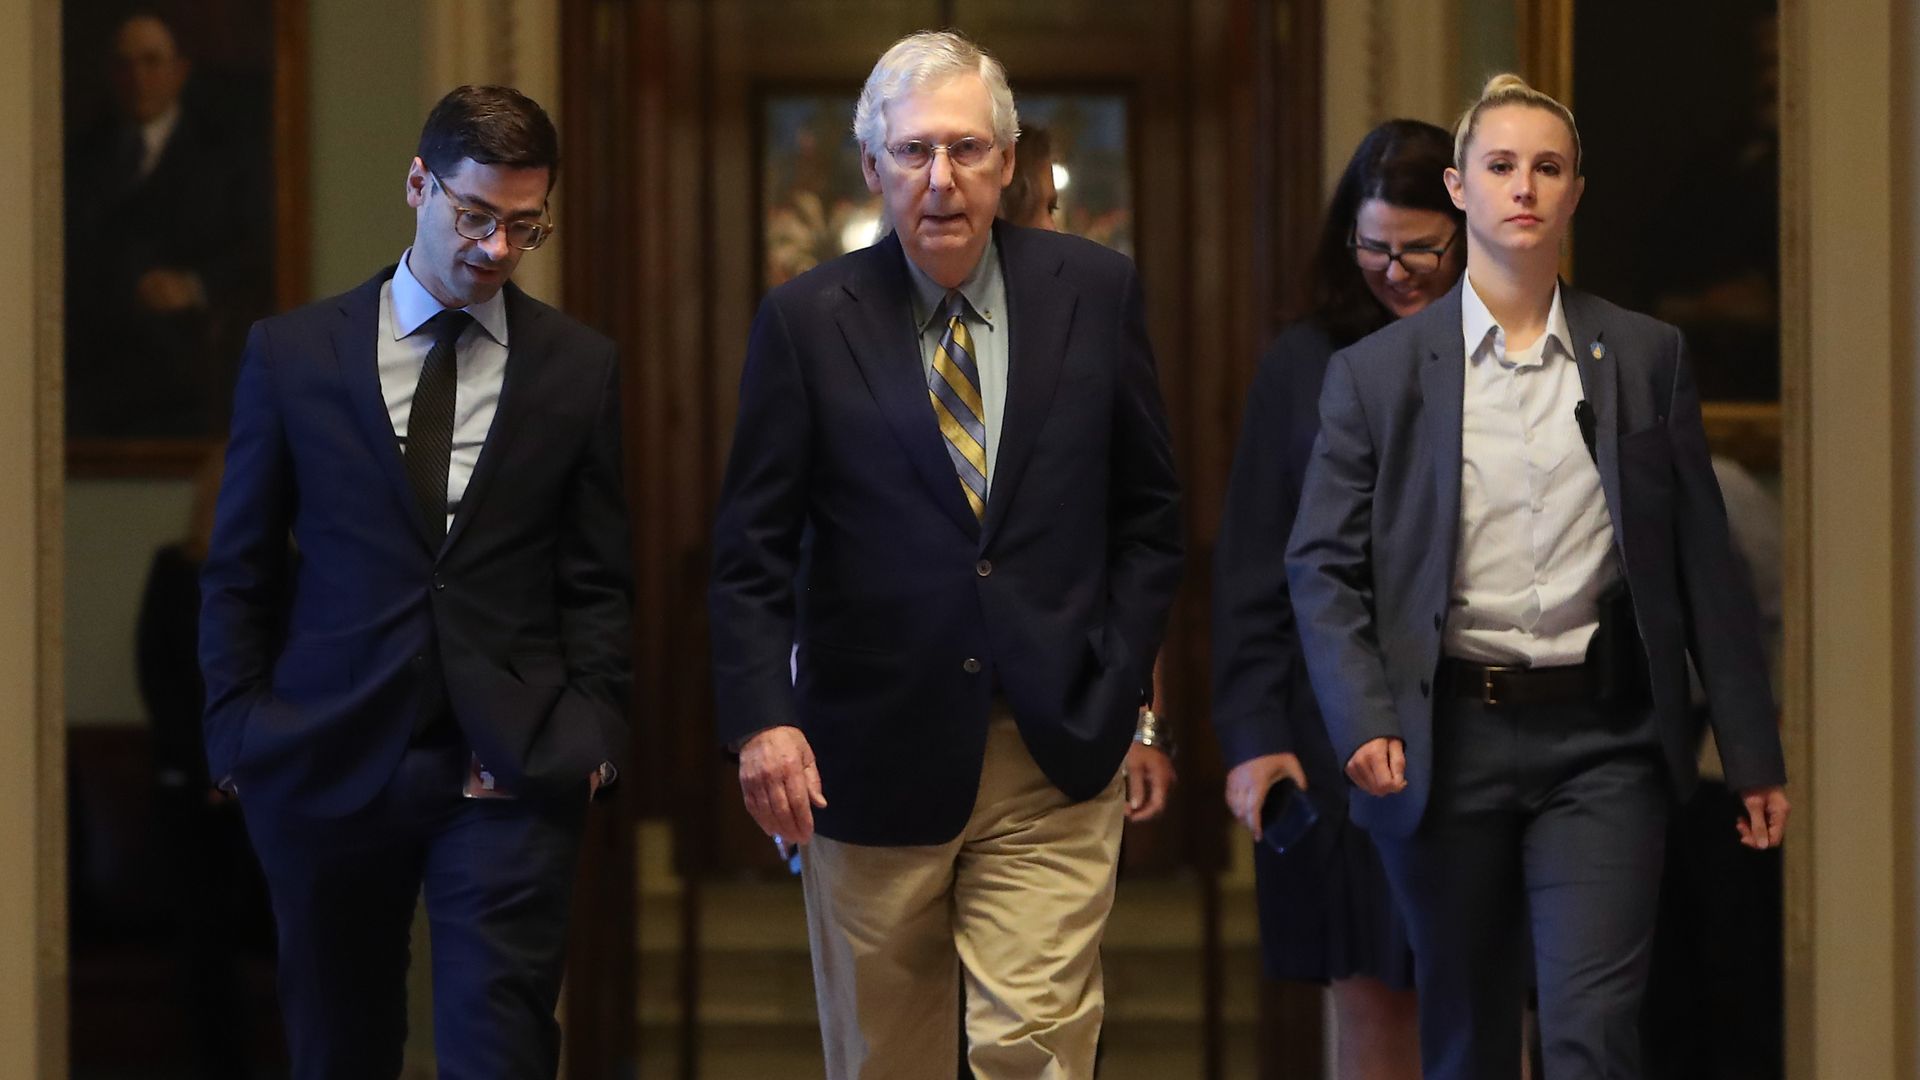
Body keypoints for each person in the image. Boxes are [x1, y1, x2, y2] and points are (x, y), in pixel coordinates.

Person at [1285, 74, 1790, 1080]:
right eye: (1501, 166)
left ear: (1575, 193)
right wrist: (1364, 717)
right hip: (1445, 740)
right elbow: (1321, 564)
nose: (1525, 186)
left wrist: (1751, 750)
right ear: (1460, 189)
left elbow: (1703, 568)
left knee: (1590, 1034)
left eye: (1547, 168)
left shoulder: (1646, 357)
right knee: (1467, 1035)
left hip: (1602, 743)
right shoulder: (1379, 375)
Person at [708, 30, 1182, 1079]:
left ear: (1009, 163)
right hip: (864, 758)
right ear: (871, 167)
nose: (942, 180)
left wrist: (1117, 686)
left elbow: (1150, 515)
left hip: (1051, 747)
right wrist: (762, 725)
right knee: (889, 1059)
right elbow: (751, 548)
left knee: (1035, 1052)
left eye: (967, 150)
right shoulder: (804, 320)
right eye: (914, 153)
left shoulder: (1094, 291)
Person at [199, 85, 632, 1078]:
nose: (495, 250)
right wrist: (237, 736)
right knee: (339, 1047)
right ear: (417, 184)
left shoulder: (578, 368)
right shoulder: (295, 355)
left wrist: (595, 734)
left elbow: (598, 576)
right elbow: (239, 568)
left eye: (525, 228)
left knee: (503, 1050)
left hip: (510, 769)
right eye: (474, 217)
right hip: (325, 756)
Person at [1214, 118, 1463, 1080]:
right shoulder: (1304, 362)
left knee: (1496, 1008)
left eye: (1419, 250)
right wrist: (1251, 735)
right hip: (1336, 730)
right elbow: (1251, 566)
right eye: (1374, 249)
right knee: (1371, 1008)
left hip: (1486, 721)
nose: (1396, 272)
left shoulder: (1519, 347)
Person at [999, 121, 1177, 824]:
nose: (1056, 228)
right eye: (1045, 208)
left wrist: (1139, 720)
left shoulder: (1096, 321)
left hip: (1062, 725)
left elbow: (1136, 528)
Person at [65, 11, 270, 439]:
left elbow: (252, 251)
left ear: (179, 70)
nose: (137, 77)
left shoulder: (222, 158)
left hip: (188, 373)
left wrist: (192, 286)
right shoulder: (81, 159)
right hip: (100, 370)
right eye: (124, 64)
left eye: (151, 61)